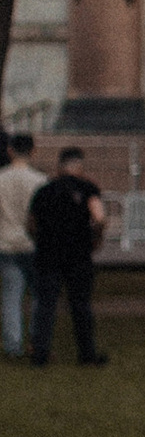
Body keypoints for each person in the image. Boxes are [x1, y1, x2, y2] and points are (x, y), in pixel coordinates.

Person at [27, 144, 108, 367]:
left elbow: (31, 223)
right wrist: (97, 237)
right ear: (79, 165)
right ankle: (87, 354)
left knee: (45, 306)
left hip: (47, 254)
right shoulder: (87, 188)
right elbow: (99, 217)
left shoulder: (44, 190)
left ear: (59, 166)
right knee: (81, 306)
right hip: (78, 255)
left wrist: (40, 240)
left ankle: (40, 354)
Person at [0, 131, 37, 358]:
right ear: (33, 151)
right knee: (37, 296)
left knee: (11, 296)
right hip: (31, 244)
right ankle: (35, 340)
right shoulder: (39, 180)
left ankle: (13, 344)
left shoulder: (1, 179)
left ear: (10, 150)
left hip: (5, 243)